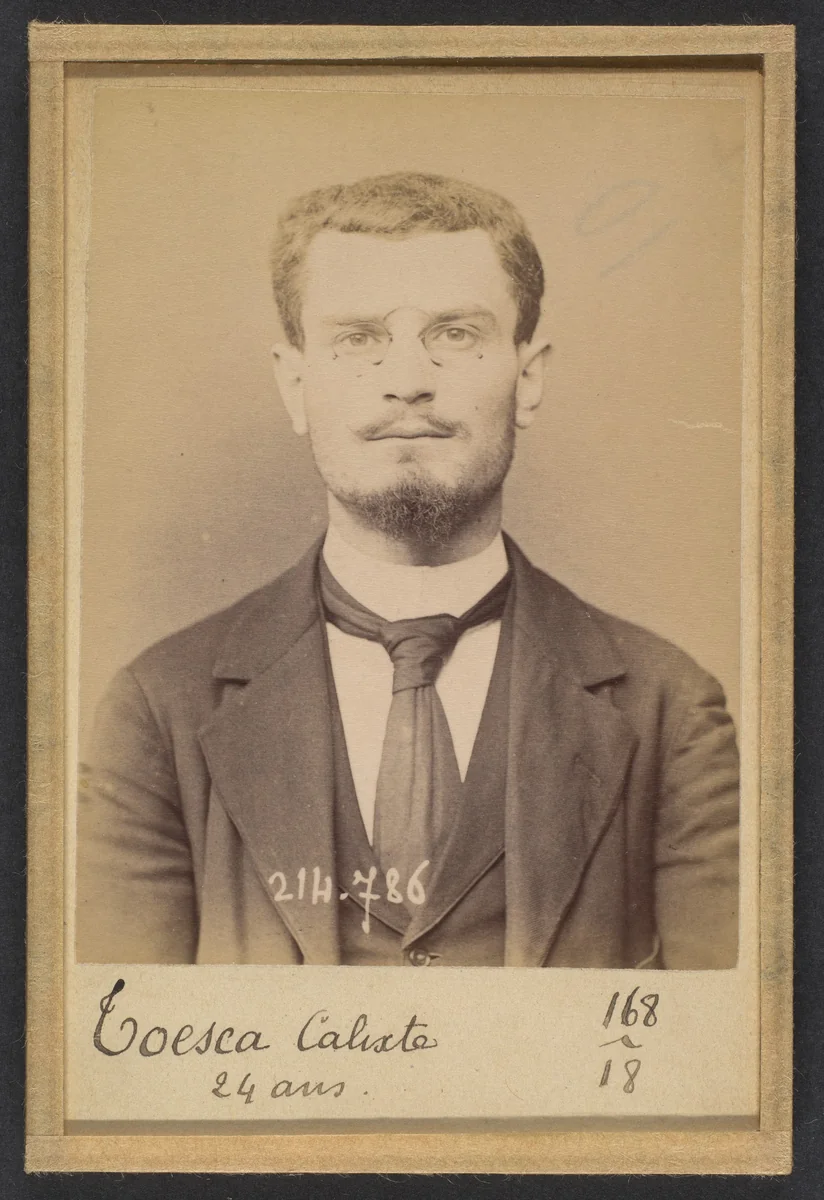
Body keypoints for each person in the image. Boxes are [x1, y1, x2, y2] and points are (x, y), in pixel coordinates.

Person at [76, 171, 739, 969]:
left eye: (455, 333)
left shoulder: (671, 711)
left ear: (528, 377)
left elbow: (721, 1036)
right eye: (358, 339)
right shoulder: (157, 712)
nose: (407, 381)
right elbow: (122, 1040)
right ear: (296, 385)